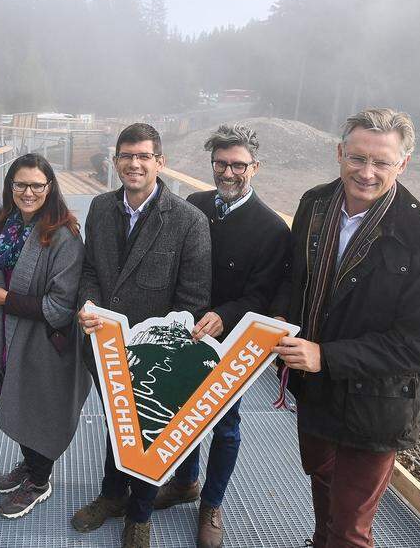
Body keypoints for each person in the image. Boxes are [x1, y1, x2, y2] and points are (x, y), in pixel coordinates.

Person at [271, 108, 420, 548]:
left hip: (376, 404)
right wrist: (279, 314)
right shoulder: (315, 205)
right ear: (339, 153)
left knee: (352, 527)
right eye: (357, 158)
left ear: (403, 164)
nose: (367, 172)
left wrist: (326, 356)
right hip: (315, 390)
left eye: (382, 162)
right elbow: (294, 277)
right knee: (321, 482)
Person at [73, 122, 212, 548]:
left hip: (155, 355)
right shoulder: (100, 208)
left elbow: (193, 298)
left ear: (159, 162)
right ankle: (112, 495)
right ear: (115, 161)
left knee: (148, 429)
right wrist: (89, 305)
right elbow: (92, 270)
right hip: (105, 343)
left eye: (144, 156)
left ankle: (140, 511)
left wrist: (151, 344)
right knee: (118, 425)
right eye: (126, 156)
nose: (134, 164)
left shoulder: (189, 221)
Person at [152, 124, 290, 548]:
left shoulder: (271, 229)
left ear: (255, 167)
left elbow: (262, 294)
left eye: (238, 165)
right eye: (221, 164)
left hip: (233, 339)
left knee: (225, 424)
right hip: (186, 330)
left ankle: (212, 503)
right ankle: (185, 482)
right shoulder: (194, 206)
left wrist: (223, 315)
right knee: (183, 414)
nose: (228, 173)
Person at [0, 153, 89, 519]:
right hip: (5, 333)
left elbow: (61, 305)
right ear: (10, 186)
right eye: (20, 184)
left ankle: (40, 481)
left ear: (50, 188)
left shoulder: (64, 235)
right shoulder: (6, 224)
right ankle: (31, 466)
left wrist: (6, 299)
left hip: (42, 340)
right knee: (9, 396)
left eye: (36, 185)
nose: (28, 192)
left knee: (37, 407)